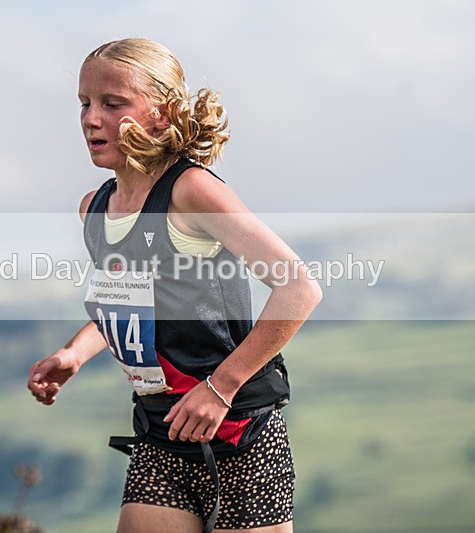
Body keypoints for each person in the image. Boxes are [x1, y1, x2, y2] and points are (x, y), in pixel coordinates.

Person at [28, 38, 322, 533]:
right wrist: (74, 354)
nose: (91, 118)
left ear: (162, 113)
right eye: (84, 103)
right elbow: (124, 306)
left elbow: (299, 288)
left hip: (239, 433)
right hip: (160, 434)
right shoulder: (93, 209)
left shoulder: (192, 190)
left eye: (112, 103)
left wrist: (220, 387)